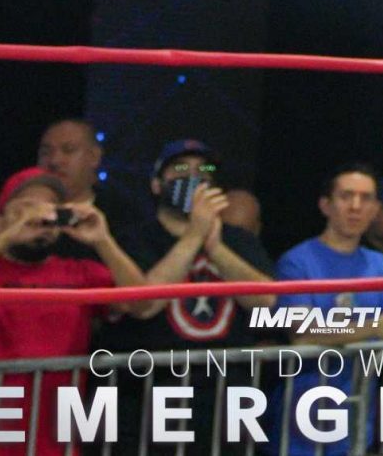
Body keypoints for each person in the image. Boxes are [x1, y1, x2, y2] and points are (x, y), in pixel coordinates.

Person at [0, 168, 152, 456]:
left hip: (55, 422)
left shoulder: (79, 273)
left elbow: (142, 305)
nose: (39, 217)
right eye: (26, 207)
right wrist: (7, 235)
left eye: (51, 208)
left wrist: (103, 240)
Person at [270, 165, 383, 456]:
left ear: (375, 209)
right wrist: (375, 327)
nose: (356, 206)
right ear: (326, 205)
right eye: (346, 196)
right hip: (301, 421)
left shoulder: (380, 265)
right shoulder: (296, 262)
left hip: (357, 420)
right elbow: (303, 333)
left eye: (366, 198)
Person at [112, 138, 277, 352]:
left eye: (204, 169)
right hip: (156, 368)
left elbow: (266, 302)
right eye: (180, 168)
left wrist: (216, 249)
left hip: (225, 370)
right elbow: (144, 306)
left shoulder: (238, 239)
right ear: (156, 184)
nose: (193, 176)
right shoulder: (134, 240)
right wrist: (194, 235)